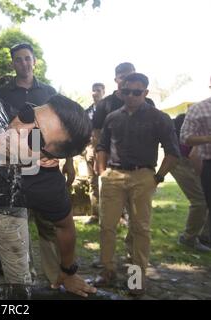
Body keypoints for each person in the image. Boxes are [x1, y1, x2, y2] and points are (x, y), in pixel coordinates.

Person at [0, 94, 97, 298]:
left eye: (35, 138)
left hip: (7, 209)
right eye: (28, 114)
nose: (18, 128)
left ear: (47, 161)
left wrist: (68, 273)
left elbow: (65, 227)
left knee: (18, 273)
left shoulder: (47, 186)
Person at [0, 43, 76, 284]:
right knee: (15, 223)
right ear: (13, 63)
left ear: (34, 61)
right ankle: (23, 277)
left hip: (45, 168)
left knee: (49, 225)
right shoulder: (1, 94)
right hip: (11, 169)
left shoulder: (50, 93)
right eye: (18, 59)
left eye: (27, 58)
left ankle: (55, 276)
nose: (23, 63)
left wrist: (69, 162)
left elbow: (64, 131)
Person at [94, 73, 180, 296]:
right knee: (107, 226)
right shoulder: (112, 117)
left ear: (146, 93)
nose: (131, 96)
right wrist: (103, 173)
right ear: (120, 92)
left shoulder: (158, 118)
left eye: (136, 92)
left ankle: (135, 279)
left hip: (143, 175)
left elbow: (173, 152)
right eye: (126, 91)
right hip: (113, 176)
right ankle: (107, 271)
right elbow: (101, 145)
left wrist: (158, 177)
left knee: (139, 228)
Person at [171, 114, 210, 252]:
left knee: (206, 199)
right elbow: (195, 155)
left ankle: (205, 237)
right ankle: (188, 238)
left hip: (184, 161)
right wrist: (200, 176)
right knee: (200, 201)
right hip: (180, 162)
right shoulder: (198, 125)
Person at [181, 84, 211, 248]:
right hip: (204, 162)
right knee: (202, 201)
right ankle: (194, 238)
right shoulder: (199, 109)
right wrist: (208, 138)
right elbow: (186, 139)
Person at [84, 83, 105, 225]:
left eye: (98, 90)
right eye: (93, 90)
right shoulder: (87, 112)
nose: (95, 92)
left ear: (103, 92)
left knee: (109, 184)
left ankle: (119, 216)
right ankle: (95, 214)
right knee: (93, 184)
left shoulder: (109, 108)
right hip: (90, 151)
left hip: (106, 152)